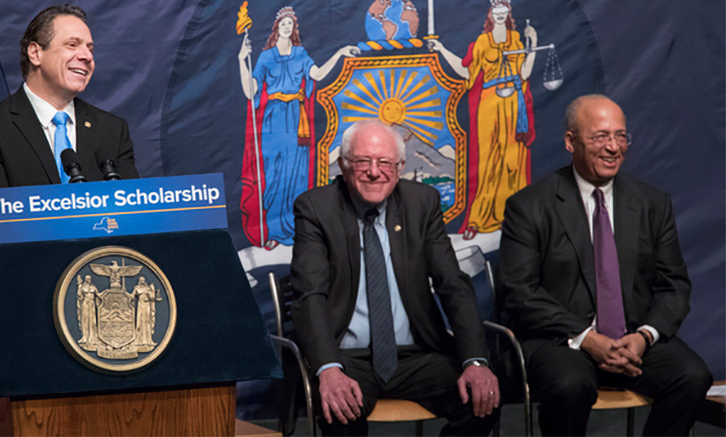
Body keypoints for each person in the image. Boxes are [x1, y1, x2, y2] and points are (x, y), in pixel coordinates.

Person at [498, 95, 712, 436]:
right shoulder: (529, 206)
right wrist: (588, 338)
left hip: (633, 340)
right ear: (571, 142)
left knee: (692, 376)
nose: (613, 147)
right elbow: (518, 292)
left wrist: (643, 337)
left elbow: (674, 285)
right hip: (561, 341)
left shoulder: (652, 203)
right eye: (600, 136)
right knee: (568, 385)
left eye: (621, 136)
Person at [291, 119, 500, 436]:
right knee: (340, 412)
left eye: (385, 162)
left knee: (483, 399)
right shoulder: (317, 208)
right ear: (344, 165)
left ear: (400, 166)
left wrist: (475, 362)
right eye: (363, 161)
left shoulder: (422, 203)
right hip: (347, 357)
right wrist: (328, 368)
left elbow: (452, 284)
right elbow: (310, 296)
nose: (375, 172)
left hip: (416, 356)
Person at [0, 4, 138, 250]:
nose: (87, 56)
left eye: (90, 48)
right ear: (35, 53)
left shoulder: (112, 130)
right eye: (72, 44)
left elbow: (136, 219)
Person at [238, 7, 358, 249]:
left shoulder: (301, 54)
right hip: (273, 121)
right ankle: (273, 231)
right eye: (283, 23)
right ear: (277, 27)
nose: (286, 27)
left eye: (290, 24)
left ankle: (296, 229)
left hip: (296, 119)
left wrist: (340, 53)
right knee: (273, 175)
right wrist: (242, 60)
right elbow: (250, 91)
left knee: (296, 174)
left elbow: (319, 74)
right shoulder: (266, 57)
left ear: (294, 29)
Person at [429, 0, 536, 240]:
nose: (500, 13)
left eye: (504, 9)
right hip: (490, 103)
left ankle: (513, 216)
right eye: (496, 9)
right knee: (489, 161)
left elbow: (525, 73)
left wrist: (533, 44)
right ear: (490, 13)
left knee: (513, 161)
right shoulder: (482, 42)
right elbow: (467, 72)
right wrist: (442, 50)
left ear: (509, 13)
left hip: (513, 103)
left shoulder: (516, 40)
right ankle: (481, 218)